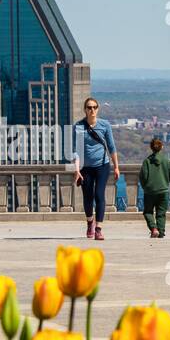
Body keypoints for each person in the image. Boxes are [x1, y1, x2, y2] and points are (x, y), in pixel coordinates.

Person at [73, 97, 120, 241]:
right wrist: (77, 170)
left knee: (99, 195)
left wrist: (116, 167)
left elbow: (111, 147)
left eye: (94, 107)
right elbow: (76, 150)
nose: (92, 110)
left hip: (102, 165)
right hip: (85, 168)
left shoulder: (105, 125)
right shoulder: (79, 127)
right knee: (88, 197)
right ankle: (89, 222)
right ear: (85, 110)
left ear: (97, 109)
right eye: (89, 107)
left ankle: (98, 228)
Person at [139, 137, 170, 239]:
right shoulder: (167, 161)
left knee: (148, 212)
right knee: (161, 213)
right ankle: (161, 232)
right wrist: (164, 183)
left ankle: (153, 229)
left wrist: (146, 187)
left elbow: (143, 177)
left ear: (151, 148)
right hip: (163, 190)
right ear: (161, 147)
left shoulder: (146, 162)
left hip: (149, 191)